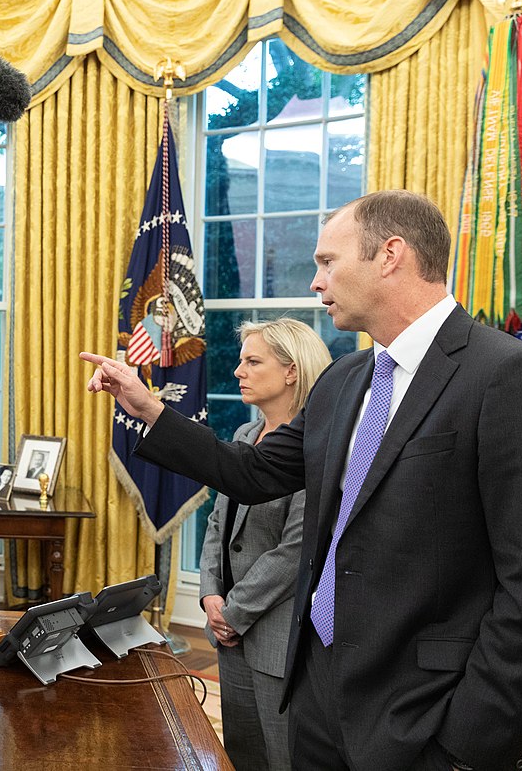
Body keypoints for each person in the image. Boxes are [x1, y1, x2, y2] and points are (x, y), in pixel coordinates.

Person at [82, 190, 522, 770]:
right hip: (314, 693)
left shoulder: (510, 376)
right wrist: (150, 410)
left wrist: (471, 745)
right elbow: (254, 472)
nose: (316, 282)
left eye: (327, 262)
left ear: (390, 255)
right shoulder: (345, 379)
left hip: (426, 716)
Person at [200, 319, 331, 771]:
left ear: (292, 371)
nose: (238, 371)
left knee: (285, 759)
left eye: (252, 361)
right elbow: (218, 524)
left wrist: (234, 612)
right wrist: (209, 595)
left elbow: (296, 549)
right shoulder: (242, 434)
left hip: (276, 634)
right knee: (242, 752)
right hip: (228, 630)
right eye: (241, 360)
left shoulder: (316, 445)